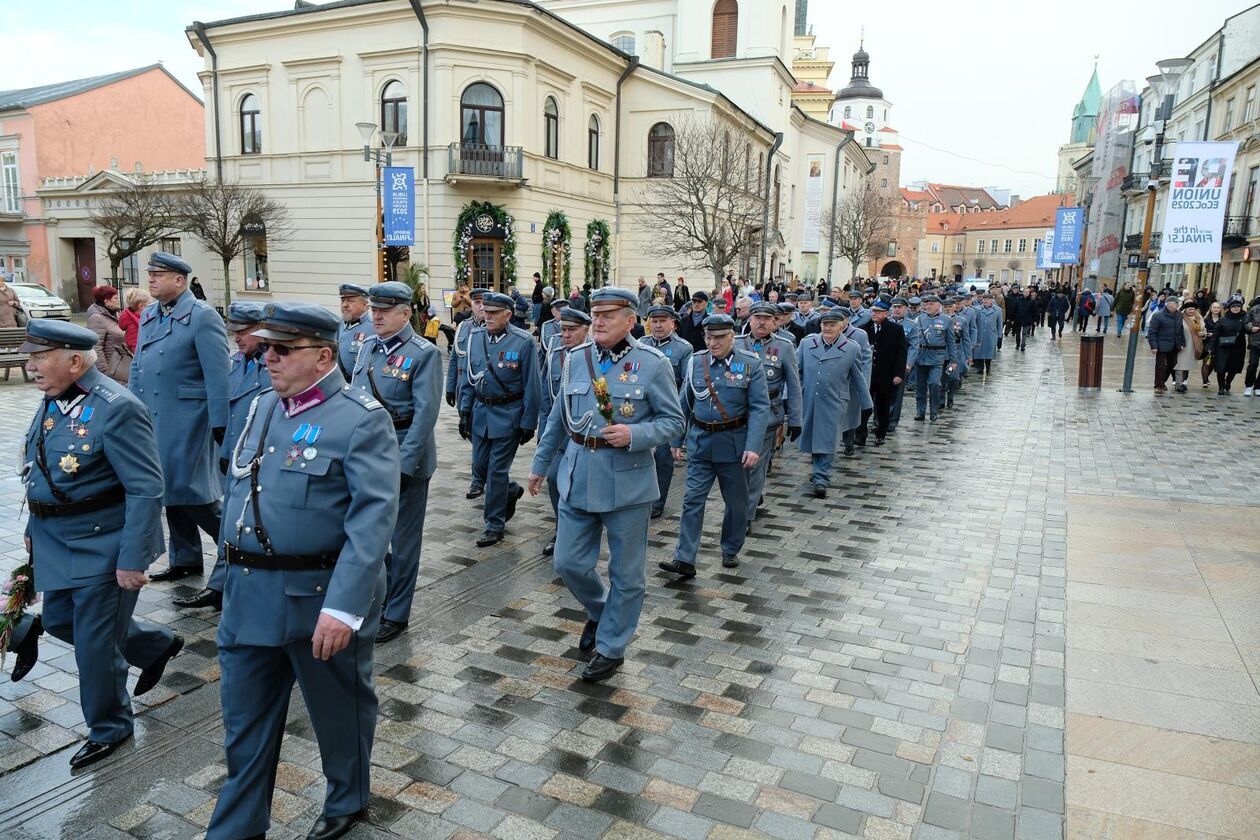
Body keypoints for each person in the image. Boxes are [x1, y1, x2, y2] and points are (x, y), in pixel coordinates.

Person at [207, 302, 397, 840]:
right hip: (249, 597)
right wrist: (223, 575)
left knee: (339, 713)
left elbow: (372, 523)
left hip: (317, 597)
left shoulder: (360, 418)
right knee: (243, 727)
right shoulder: (264, 405)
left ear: (322, 356)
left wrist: (343, 609)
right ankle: (238, 829)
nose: (268, 357)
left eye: (282, 350)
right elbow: (241, 493)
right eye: (266, 346)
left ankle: (348, 797)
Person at [20, 320, 182, 768]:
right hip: (58, 538)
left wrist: (132, 560)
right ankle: (152, 645)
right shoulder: (55, 397)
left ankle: (110, 726)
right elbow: (43, 465)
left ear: (75, 361)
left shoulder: (117, 407)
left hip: (101, 543)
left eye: (40, 357)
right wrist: (35, 530)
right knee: (58, 621)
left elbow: (147, 489)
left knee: (94, 644)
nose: (30, 365)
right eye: (30, 356)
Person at [527, 287, 684, 682]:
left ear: (631, 320)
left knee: (627, 575)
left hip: (627, 483)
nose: (597, 321)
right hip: (578, 475)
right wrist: (540, 464)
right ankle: (601, 612)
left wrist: (634, 434)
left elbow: (674, 422)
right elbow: (559, 418)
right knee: (568, 562)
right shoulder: (575, 359)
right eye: (595, 313)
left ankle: (611, 647)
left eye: (608, 315)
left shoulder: (652, 363)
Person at [347, 282, 442, 642]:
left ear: (406, 313)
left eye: (385, 310)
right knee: (367, 532)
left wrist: (404, 466)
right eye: (374, 309)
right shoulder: (368, 346)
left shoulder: (423, 353)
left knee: (403, 541)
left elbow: (425, 415)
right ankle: (379, 593)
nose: (377, 315)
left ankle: (397, 612)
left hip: (405, 454)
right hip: (367, 453)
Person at [129, 252, 229, 583]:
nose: (152, 279)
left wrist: (220, 424)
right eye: (151, 274)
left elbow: (218, 375)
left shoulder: (202, 316)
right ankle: (185, 557)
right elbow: (137, 366)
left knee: (193, 490)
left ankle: (235, 547)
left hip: (191, 420)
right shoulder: (148, 315)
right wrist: (129, 408)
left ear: (180, 281)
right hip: (155, 417)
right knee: (168, 488)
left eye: (159, 274)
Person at [174, 303, 271, 612]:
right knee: (231, 525)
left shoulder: (272, 367)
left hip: (261, 463)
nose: (237, 338)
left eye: (243, 331)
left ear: (260, 328)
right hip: (234, 458)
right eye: (234, 332)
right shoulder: (235, 363)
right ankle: (220, 586)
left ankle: (248, 586)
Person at [659, 314, 770, 580]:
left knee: (736, 503)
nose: (713, 342)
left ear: (732, 335)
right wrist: (676, 439)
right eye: (708, 337)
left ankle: (731, 547)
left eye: (719, 337)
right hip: (700, 443)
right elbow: (684, 403)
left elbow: (759, 407)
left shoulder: (750, 364)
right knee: (692, 501)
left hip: (734, 446)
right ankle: (684, 558)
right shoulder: (697, 362)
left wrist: (754, 447)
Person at [458, 292, 540, 547]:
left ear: (508, 314)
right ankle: (510, 490)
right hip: (481, 413)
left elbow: (532, 385)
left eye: (494, 313)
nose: (487, 316)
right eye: (485, 311)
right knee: (480, 468)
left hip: (508, 415)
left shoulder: (523, 342)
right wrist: (464, 411)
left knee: (495, 471)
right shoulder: (476, 338)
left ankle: (494, 525)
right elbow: (470, 377)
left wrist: (529, 422)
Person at [736, 302, 801, 527]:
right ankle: (739, 507)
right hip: (736, 415)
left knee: (754, 468)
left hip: (767, 415)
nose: (761, 322)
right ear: (750, 320)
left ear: (775, 322)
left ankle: (745, 516)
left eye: (767, 318)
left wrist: (795, 418)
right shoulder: (736, 343)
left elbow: (794, 385)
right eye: (757, 317)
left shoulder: (784, 347)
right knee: (736, 468)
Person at [537, 307, 591, 555]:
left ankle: (581, 530)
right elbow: (547, 399)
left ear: (585, 330)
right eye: (563, 330)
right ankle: (562, 530)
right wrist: (542, 433)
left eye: (572, 330)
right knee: (553, 479)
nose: (566, 335)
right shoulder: (555, 354)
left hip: (587, 436)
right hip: (561, 434)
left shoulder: (594, 357)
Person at [798, 306, 867, 497]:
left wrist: (866, 403)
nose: (827, 328)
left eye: (832, 325)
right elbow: (797, 372)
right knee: (813, 436)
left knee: (828, 438)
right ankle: (817, 467)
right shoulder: (807, 343)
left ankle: (821, 478)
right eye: (824, 324)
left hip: (835, 400)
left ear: (842, 326)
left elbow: (858, 377)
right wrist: (791, 396)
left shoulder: (852, 348)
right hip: (810, 397)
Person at [640, 304, 694, 520]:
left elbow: (686, 385)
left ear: (673, 323)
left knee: (663, 458)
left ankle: (658, 500)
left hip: (666, 411)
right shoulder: (641, 344)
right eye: (654, 321)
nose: (658, 325)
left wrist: (678, 415)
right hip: (642, 411)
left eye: (663, 321)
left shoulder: (684, 348)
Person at [445, 287, 488, 498]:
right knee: (471, 434)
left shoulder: (494, 327)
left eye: (484, 302)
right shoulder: (463, 327)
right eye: (476, 302)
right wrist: (450, 387)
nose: (480, 306)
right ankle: (484, 478)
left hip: (485, 394)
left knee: (481, 440)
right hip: (464, 391)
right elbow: (454, 359)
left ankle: (479, 480)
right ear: (470, 304)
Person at [859, 299, 907, 446]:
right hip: (866, 375)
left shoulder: (895, 329)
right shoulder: (863, 329)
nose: (874, 314)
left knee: (883, 406)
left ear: (886, 313)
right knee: (864, 406)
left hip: (885, 375)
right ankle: (861, 434)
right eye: (873, 311)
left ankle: (881, 433)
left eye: (878, 312)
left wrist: (899, 374)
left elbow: (901, 353)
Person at [912, 294, 959, 421]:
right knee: (920, 386)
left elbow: (951, 342)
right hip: (921, 356)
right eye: (926, 304)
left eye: (931, 304)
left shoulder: (946, 320)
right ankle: (920, 412)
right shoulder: (919, 319)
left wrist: (953, 360)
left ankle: (934, 411)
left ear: (939, 305)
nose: (928, 306)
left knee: (934, 384)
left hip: (937, 357)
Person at [839, 307, 874, 454]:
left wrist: (864, 382)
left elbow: (866, 359)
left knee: (851, 412)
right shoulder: (826, 334)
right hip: (835, 380)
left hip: (852, 381)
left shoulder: (859, 335)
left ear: (847, 320)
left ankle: (849, 443)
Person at [85, 285, 131, 384]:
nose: (118, 300)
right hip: (111, 372)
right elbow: (95, 348)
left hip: (120, 368)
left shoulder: (113, 314)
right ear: (107, 301)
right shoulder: (96, 318)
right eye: (115, 298)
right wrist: (105, 373)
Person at [887, 297, 918, 433]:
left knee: (897, 394)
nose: (897, 309)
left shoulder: (911, 325)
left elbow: (913, 346)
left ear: (906, 309)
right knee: (880, 393)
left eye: (900, 307)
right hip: (885, 363)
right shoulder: (885, 322)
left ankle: (892, 420)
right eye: (895, 307)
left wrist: (908, 364)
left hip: (900, 364)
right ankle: (879, 418)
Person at [1146, 295, 1184, 393]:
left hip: (1175, 344)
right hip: (1161, 344)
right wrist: (1153, 346)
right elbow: (1152, 332)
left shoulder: (1179, 314)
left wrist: (1182, 343)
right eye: (1177, 303)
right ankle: (1158, 385)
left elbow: (1180, 330)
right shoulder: (1158, 315)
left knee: (1172, 364)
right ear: (1170, 305)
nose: (1178, 305)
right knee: (1160, 366)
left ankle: (1162, 381)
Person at [1211, 299, 1248, 394]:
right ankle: (1221, 387)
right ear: (1229, 308)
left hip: (1238, 347)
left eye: (1238, 306)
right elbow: (1216, 334)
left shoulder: (1244, 318)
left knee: (1234, 367)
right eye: (1233, 306)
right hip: (1223, 346)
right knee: (1221, 367)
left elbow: (1248, 330)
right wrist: (1210, 346)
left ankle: (1228, 383)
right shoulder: (1223, 320)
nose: (1236, 308)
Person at [336, 283, 372, 378]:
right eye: (343, 300)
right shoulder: (338, 325)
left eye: (350, 301)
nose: (345, 305)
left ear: (365, 305)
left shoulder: (374, 329)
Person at [1172, 300, 1206, 393]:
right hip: (1183, 345)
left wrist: (1202, 333)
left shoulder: (1198, 318)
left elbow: (1204, 330)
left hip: (1194, 345)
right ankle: (1178, 384)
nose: (1191, 311)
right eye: (1189, 309)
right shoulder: (1180, 317)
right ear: (1185, 309)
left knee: (1187, 366)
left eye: (1193, 309)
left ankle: (1182, 382)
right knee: (1180, 365)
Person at [972, 292, 1002, 376]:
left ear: (991, 300)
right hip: (979, 334)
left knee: (989, 351)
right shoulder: (976, 309)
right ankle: (980, 368)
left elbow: (999, 324)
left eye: (988, 299)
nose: (986, 301)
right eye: (984, 299)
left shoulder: (998, 310)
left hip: (991, 334)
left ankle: (988, 366)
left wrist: (1000, 336)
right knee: (979, 351)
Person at [118, 288, 149, 352]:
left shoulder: (141, 317)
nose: (150, 305)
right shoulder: (133, 323)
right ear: (141, 306)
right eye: (148, 303)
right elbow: (134, 347)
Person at [1201, 301, 1223, 388]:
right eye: (1214, 307)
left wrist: (1214, 334)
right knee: (1206, 362)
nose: (1216, 309)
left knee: (1212, 363)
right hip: (1207, 343)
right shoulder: (1206, 319)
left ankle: (1207, 377)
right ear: (1211, 309)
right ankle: (1204, 380)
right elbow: (1202, 329)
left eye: (1218, 307)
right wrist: (1206, 333)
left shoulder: (1223, 319)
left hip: (1218, 344)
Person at [1245, 296, 1260, 396]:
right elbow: (1246, 322)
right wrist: (1251, 328)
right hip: (1255, 341)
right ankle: (1249, 385)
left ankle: (1258, 386)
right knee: (1253, 364)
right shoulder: (1255, 309)